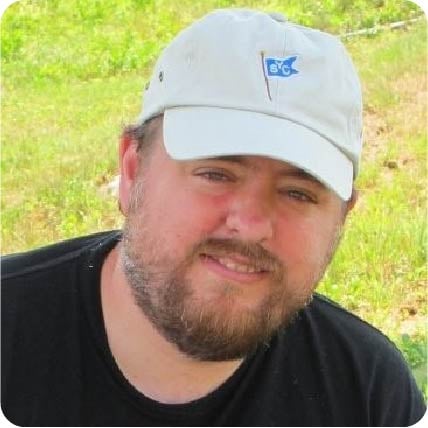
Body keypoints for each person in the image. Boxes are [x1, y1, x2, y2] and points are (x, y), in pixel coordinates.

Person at [1, 8, 425, 427]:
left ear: (341, 219)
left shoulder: (369, 396)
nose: (251, 225)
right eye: (216, 174)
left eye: (298, 193)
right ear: (132, 171)